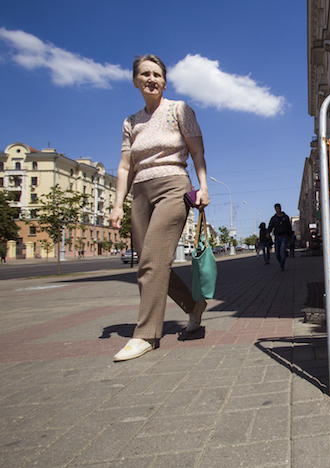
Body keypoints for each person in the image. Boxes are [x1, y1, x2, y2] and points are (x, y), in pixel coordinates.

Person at [109, 54, 210, 362]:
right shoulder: (131, 121)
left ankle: (146, 335)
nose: (151, 78)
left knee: (152, 261)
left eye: (156, 74)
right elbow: (125, 166)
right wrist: (117, 205)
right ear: (135, 80)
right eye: (144, 74)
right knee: (149, 265)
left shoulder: (179, 109)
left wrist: (203, 186)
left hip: (173, 186)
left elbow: (197, 151)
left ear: (164, 80)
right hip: (139, 192)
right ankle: (194, 306)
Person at [268, 204, 291, 270]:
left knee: (282, 251)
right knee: (277, 253)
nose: (278, 210)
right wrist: (268, 233)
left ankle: (282, 266)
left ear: (281, 208)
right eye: (276, 209)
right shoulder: (274, 218)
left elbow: (289, 227)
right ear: (275, 209)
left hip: (284, 236)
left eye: (279, 208)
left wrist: (290, 235)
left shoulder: (285, 217)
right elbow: (270, 226)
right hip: (277, 237)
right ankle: (281, 262)